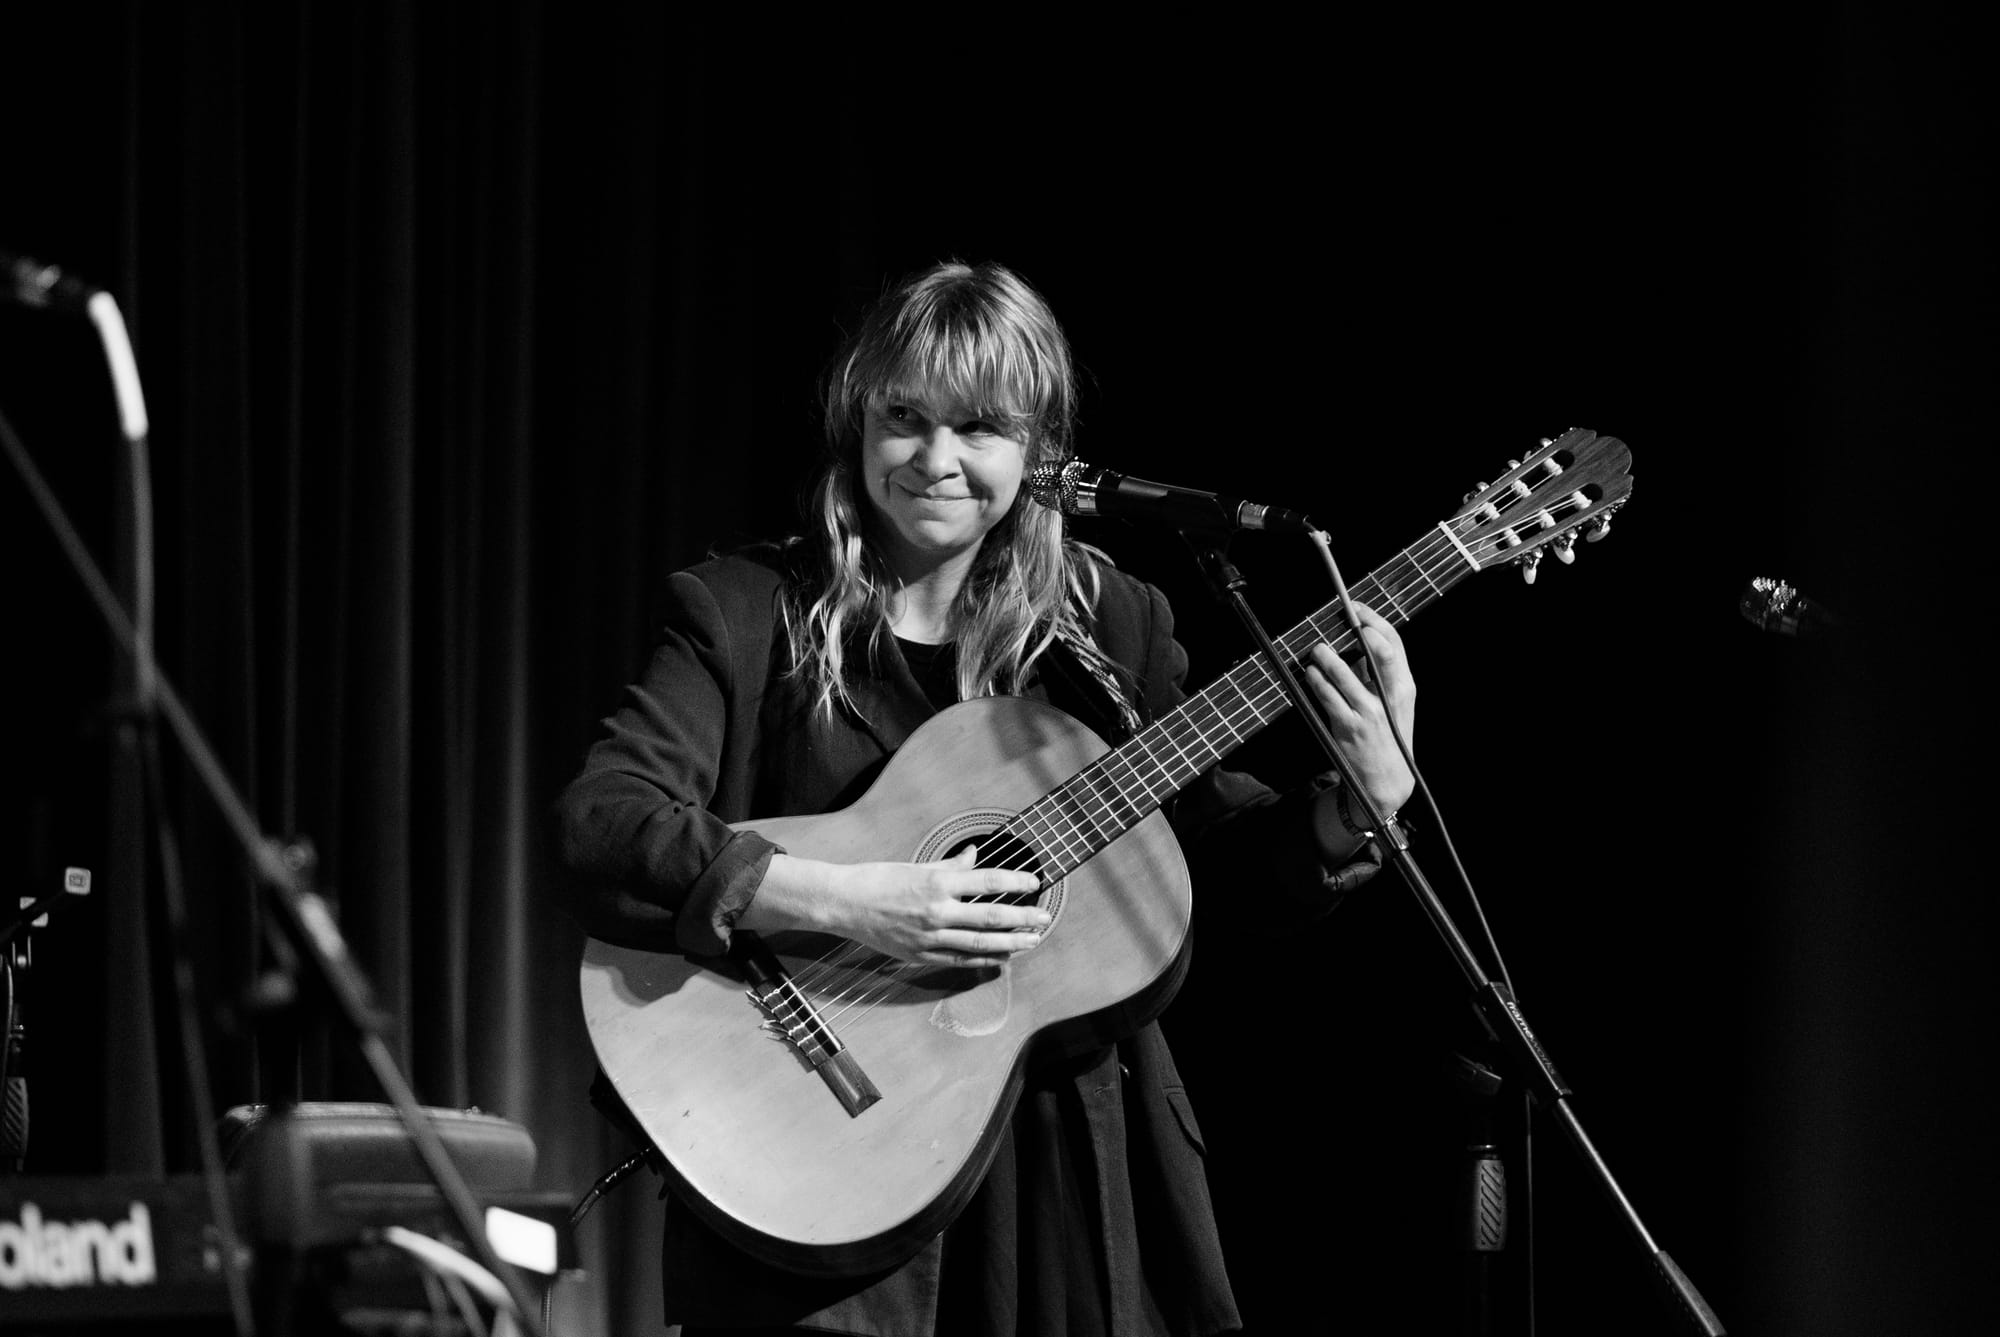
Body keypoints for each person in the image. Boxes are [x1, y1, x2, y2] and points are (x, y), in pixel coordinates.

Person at [555, 260, 1417, 1335]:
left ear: (1040, 452)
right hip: (825, 1162)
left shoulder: (1108, 626)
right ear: (857, 425)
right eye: (904, 418)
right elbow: (605, 823)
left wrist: (1358, 805)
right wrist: (852, 900)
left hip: (1073, 1180)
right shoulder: (744, 612)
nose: (935, 459)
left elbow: (1206, 867)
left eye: (978, 427)